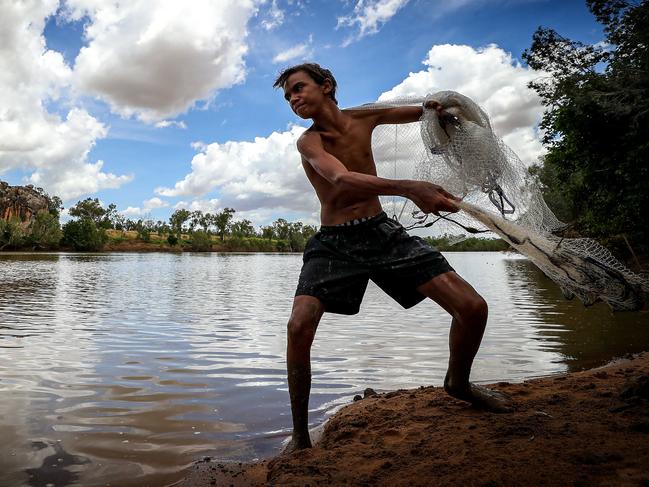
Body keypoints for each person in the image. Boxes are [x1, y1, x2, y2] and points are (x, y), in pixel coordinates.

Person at [273, 63, 512, 452]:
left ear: (327, 85)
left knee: (472, 307)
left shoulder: (365, 117)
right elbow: (341, 179)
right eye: (288, 96)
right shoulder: (309, 142)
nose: (294, 99)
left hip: (382, 234)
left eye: (299, 88)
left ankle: (459, 383)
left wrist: (439, 110)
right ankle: (300, 434)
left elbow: (423, 112)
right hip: (334, 243)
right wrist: (409, 186)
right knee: (299, 326)